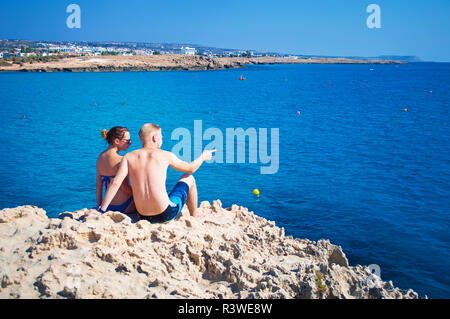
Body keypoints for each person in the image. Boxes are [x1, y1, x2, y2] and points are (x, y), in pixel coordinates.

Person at [92, 123, 215, 223]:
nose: (162, 139)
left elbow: (116, 183)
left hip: (142, 215)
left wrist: (101, 209)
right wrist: (203, 156)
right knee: (189, 177)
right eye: (161, 136)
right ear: (155, 138)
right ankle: (195, 217)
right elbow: (191, 168)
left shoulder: (129, 157)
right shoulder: (166, 155)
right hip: (164, 214)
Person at [96, 126, 136, 214]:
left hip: (108, 206)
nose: (130, 143)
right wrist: (137, 194)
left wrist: (99, 206)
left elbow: (99, 185)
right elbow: (124, 187)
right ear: (117, 141)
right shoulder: (121, 160)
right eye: (128, 141)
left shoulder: (100, 158)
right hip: (125, 205)